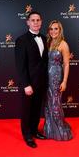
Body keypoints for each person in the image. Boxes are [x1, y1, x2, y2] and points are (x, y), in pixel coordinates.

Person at [15, 11, 48, 148]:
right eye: (33, 20)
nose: (35, 22)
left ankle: (34, 131)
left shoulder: (45, 38)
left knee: (36, 109)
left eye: (38, 20)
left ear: (41, 22)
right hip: (29, 83)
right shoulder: (21, 40)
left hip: (41, 82)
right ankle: (27, 135)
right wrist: (26, 84)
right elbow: (20, 65)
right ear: (28, 22)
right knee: (27, 110)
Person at [44, 20, 73, 140]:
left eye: (56, 28)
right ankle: (50, 129)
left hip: (56, 77)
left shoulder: (63, 44)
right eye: (51, 29)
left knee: (55, 103)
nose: (53, 31)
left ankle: (60, 130)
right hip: (45, 77)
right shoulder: (48, 42)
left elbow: (66, 64)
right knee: (48, 103)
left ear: (60, 30)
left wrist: (64, 81)